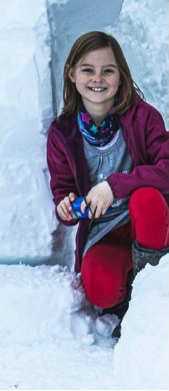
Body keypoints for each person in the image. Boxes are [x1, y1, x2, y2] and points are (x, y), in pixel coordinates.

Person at [46, 31, 169, 319]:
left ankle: (156, 293)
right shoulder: (63, 133)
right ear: (72, 74)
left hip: (152, 226)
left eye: (108, 71)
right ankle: (127, 303)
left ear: (120, 76)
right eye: (88, 70)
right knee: (99, 284)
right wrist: (66, 205)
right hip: (106, 230)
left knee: (145, 198)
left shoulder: (143, 117)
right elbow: (62, 189)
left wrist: (114, 186)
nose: (97, 79)